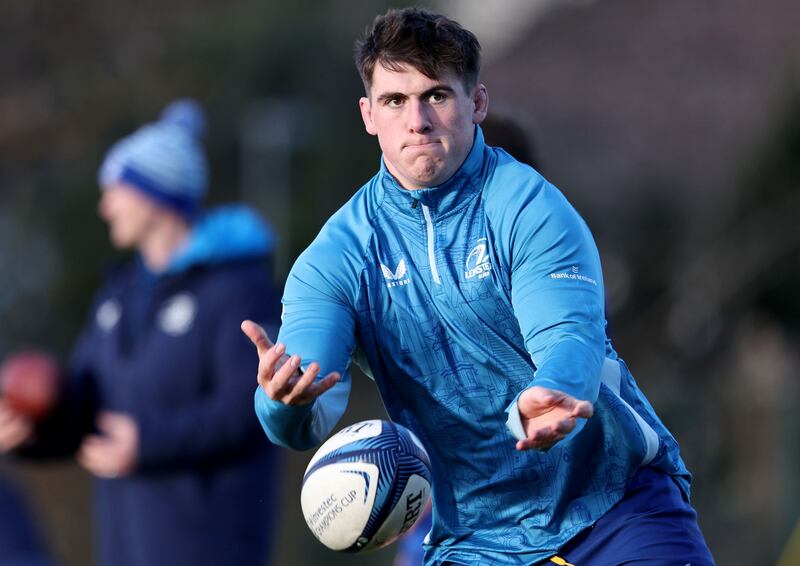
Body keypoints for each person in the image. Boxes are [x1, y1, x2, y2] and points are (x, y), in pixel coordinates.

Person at [242, 8, 714, 566]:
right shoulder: (336, 258)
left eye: (436, 95)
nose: (417, 120)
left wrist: (556, 390)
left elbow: (568, 335)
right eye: (395, 101)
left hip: (613, 510)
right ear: (369, 115)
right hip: (476, 542)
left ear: (478, 104)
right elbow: (308, 394)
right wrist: (282, 403)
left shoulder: (529, 208)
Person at [0, 99, 281, 566]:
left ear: (155, 195)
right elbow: (87, 408)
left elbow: (249, 412)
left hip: (210, 544)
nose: (105, 206)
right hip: (126, 545)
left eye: (115, 191)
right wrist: (31, 428)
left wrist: (147, 444)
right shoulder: (118, 296)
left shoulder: (237, 290)